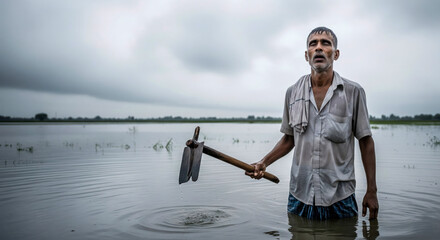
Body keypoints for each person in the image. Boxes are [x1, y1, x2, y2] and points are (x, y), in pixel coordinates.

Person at [245, 27, 379, 220]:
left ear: (336, 53)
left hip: (340, 198)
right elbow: (289, 138)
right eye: (313, 44)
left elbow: (366, 141)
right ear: (306, 56)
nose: (318, 48)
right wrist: (263, 162)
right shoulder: (292, 93)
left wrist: (372, 191)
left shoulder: (353, 92)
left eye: (325, 43)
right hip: (299, 196)